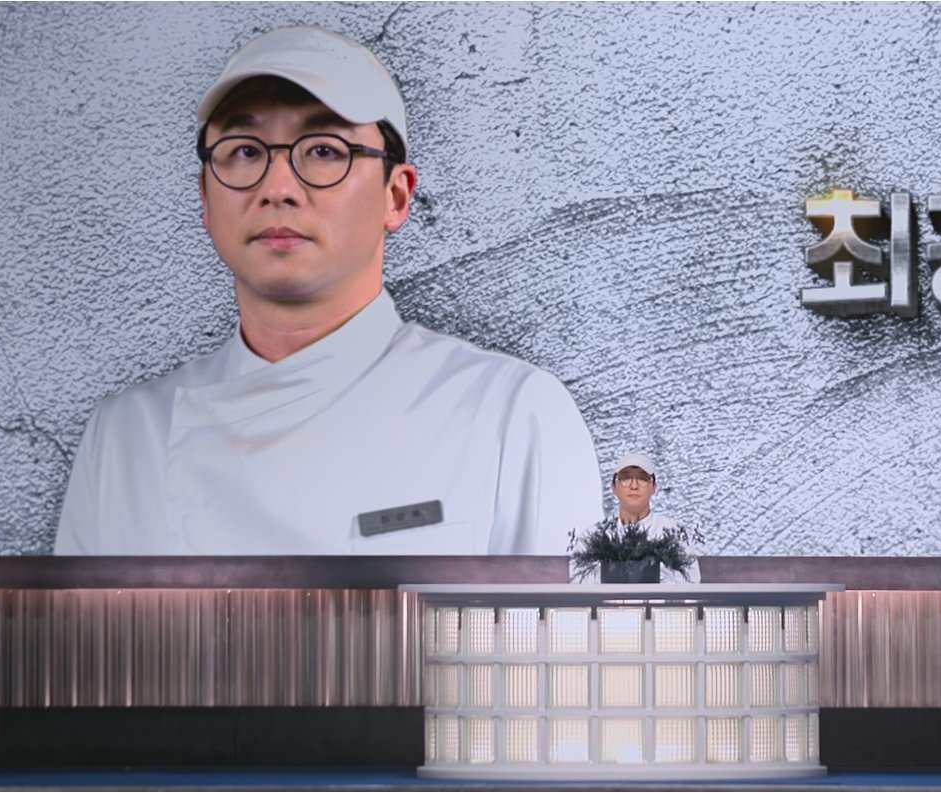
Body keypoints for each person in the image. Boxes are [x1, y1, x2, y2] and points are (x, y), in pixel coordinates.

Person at [54, 26, 603, 555]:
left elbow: (566, 622)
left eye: (323, 150)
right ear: (205, 195)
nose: (277, 188)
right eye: (245, 151)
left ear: (396, 196)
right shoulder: (125, 439)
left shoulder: (512, 415)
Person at [571, 453, 702, 583]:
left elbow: (691, 582)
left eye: (642, 479)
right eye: (626, 478)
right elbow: (579, 585)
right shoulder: (593, 536)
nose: (634, 486)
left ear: (654, 487)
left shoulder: (675, 533)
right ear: (614, 488)